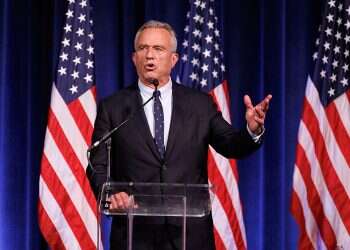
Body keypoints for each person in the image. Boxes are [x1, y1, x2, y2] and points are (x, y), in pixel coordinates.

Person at [87, 20, 272, 250]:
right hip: (134, 236)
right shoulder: (113, 107)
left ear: (174, 59)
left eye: (158, 49)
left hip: (190, 236)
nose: (150, 56)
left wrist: (252, 130)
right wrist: (112, 195)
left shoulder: (200, 105)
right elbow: (97, 164)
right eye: (143, 48)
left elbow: (231, 144)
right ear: (134, 58)